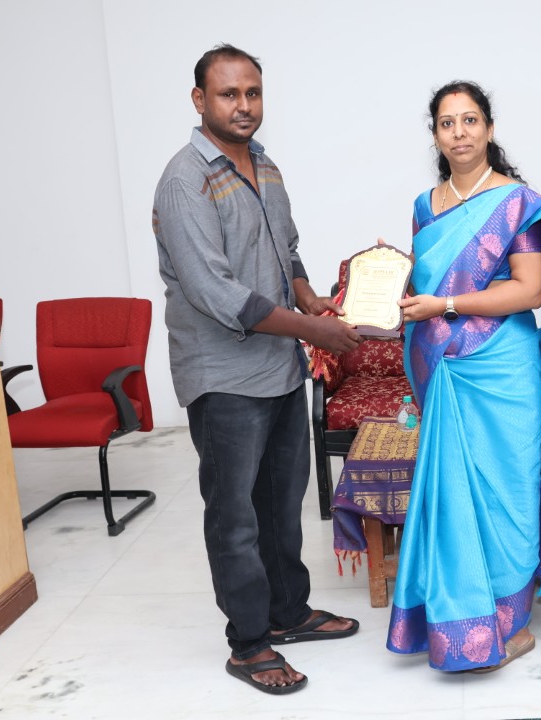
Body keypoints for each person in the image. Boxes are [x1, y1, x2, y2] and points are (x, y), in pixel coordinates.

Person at [152, 44, 362, 695]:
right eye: (228, 94)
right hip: (223, 377)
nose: (243, 106)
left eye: (253, 93)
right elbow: (216, 293)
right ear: (199, 100)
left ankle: (287, 611)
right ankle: (248, 643)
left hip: (279, 367)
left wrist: (310, 298)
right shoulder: (184, 180)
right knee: (235, 514)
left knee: (280, 501)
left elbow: (285, 249)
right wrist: (314, 330)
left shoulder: (264, 164)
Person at [386, 80, 541, 672]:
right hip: (445, 368)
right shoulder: (426, 206)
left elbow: (531, 289)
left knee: (508, 493)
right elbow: (428, 284)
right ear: (435, 136)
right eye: (447, 123)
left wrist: (445, 305)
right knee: (453, 497)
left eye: (470, 120)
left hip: (503, 369)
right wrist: (392, 278)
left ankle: (511, 625)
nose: (460, 133)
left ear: (489, 129)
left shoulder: (517, 203)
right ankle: (458, 623)